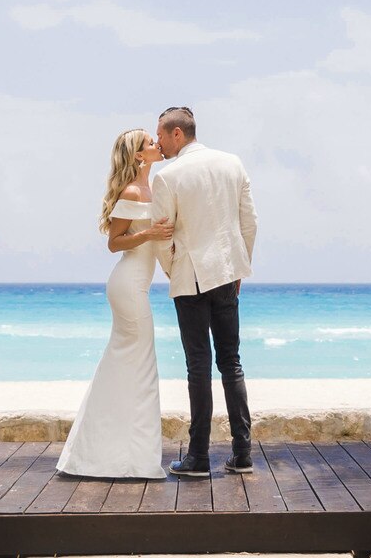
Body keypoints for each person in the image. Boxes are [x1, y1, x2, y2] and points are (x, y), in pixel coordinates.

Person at [55, 129, 174, 479]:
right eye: (149, 144)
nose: (156, 145)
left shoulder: (152, 188)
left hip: (137, 285)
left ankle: (120, 454)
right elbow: (115, 242)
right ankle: (129, 458)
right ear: (139, 156)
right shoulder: (133, 190)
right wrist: (150, 234)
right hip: (128, 285)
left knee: (129, 368)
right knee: (140, 368)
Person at [149, 106, 257, 477]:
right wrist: (239, 266)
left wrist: (172, 268)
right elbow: (249, 222)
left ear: (177, 134)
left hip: (191, 277)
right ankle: (242, 454)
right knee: (231, 362)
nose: (158, 142)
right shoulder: (232, 163)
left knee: (199, 366)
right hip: (228, 274)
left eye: (160, 135)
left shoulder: (168, 176)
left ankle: (198, 458)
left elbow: (163, 236)